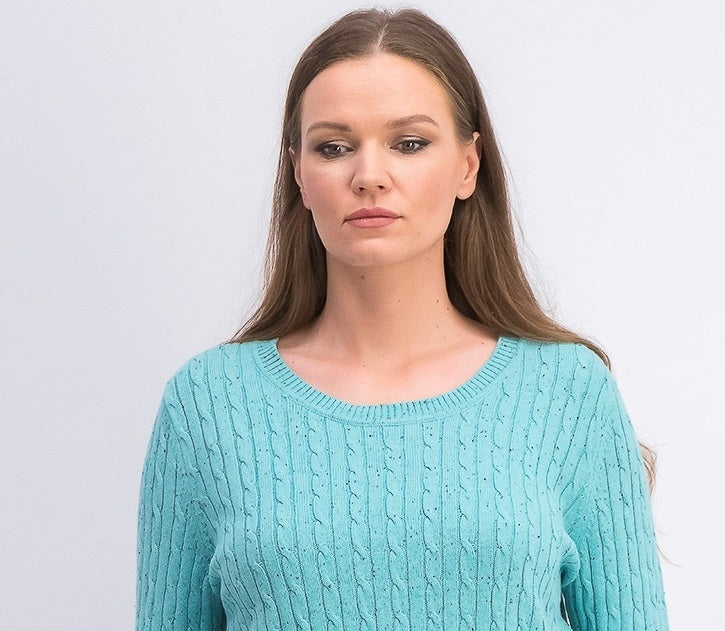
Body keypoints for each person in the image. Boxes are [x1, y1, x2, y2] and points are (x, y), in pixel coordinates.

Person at [136, 7, 669, 630]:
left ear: (468, 166)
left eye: (409, 143)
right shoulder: (206, 407)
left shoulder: (569, 394)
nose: (369, 176)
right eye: (334, 148)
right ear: (299, 173)